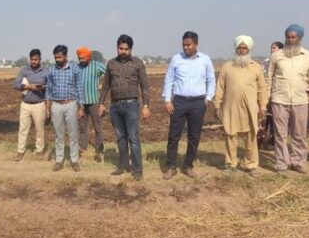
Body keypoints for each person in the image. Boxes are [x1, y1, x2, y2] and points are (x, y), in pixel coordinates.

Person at [267, 24, 309, 175]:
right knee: (280, 135)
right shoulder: (277, 55)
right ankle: (282, 164)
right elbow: (269, 79)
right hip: (279, 100)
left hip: (300, 100)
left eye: (293, 37)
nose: (290, 40)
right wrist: (266, 98)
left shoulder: (308, 56)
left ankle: (298, 162)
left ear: (299, 38)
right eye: (288, 37)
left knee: (299, 134)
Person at [162, 31, 216, 180]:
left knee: (194, 136)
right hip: (179, 101)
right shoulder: (176, 59)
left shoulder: (205, 60)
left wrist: (208, 99)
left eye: (189, 45)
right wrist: (167, 99)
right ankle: (171, 167)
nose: (186, 47)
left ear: (196, 45)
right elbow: (169, 80)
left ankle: (188, 166)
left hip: (198, 103)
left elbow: (211, 80)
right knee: (174, 135)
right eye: (184, 44)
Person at [213, 35, 268, 177]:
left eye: (245, 48)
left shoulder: (256, 67)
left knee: (251, 136)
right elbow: (220, 87)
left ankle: (251, 165)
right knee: (230, 136)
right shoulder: (227, 66)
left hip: (250, 108)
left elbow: (262, 88)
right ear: (236, 49)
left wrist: (262, 106)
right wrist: (217, 104)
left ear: (249, 49)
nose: (242, 50)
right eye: (240, 48)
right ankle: (231, 164)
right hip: (231, 108)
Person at [98, 34, 150, 181]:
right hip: (115, 106)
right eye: (121, 48)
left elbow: (144, 86)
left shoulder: (138, 63)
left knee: (133, 138)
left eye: (126, 49)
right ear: (117, 48)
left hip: (131, 105)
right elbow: (106, 85)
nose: (123, 51)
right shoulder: (111, 64)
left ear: (131, 49)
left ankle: (137, 170)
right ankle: (123, 165)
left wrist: (146, 105)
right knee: (120, 138)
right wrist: (101, 103)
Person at [46, 45, 84, 172]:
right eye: (55, 57)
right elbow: (48, 90)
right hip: (56, 105)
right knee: (59, 134)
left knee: (73, 134)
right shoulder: (51, 70)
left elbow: (79, 88)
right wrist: (48, 107)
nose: (57, 59)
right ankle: (59, 160)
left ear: (66, 56)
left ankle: (74, 160)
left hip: (71, 104)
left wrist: (81, 107)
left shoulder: (74, 69)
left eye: (59, 57)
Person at [12, 49, 49, 162]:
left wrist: (48, 107)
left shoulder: (45, 72)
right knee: (23, 129)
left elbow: (49, 89)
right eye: (32, 59)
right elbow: (15, 85)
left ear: (40, 59)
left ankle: (39, 150)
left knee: (40, 129)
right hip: (25, 104)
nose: (33, 61)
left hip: (39, 104)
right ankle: (20, 151)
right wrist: (29, 87)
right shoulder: (24, 71)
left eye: (36, 59)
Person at [76, 46, 107, 162]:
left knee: (97, 127)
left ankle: (99, 149)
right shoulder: (77, 67)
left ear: (88, 57)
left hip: (94, 101)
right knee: (82, 127)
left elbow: (109, 75)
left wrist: (102, 87)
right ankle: (82, 148)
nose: (81, 60)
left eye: (83, 58)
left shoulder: (97, 65)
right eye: (79, 58)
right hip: (81, 103)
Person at [258, 41, 284, 150]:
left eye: (274, 48)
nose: (272, 50)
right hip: (265, 94)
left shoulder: (284, 62)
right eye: (271, 48)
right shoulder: (265, 62)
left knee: (276, 120)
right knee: (263, 118)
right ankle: (259, 141)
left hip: (279, 95)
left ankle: (273, 142)